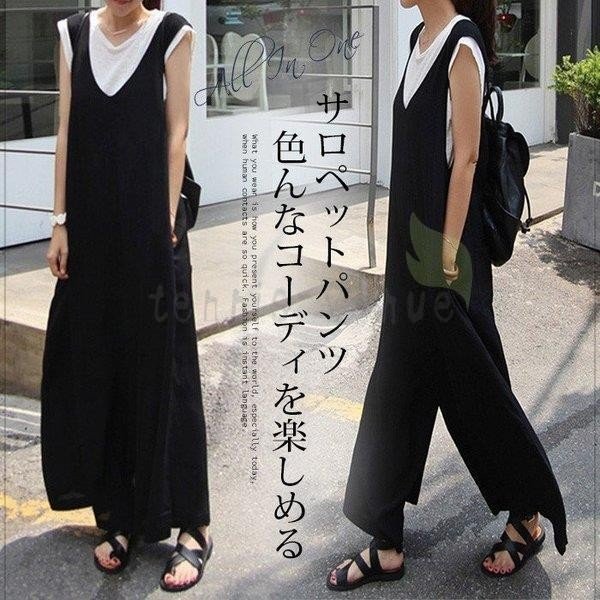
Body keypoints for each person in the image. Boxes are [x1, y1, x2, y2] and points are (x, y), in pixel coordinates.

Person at [326, 0, 567, 591]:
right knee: (398, 384)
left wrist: (448, 250)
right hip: (413, 247)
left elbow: (467, 157)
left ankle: (528, 516)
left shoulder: (461, 45)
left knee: (476, 386)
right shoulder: (419, 39)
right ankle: (385, 541)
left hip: (446, 254)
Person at [41, 1, 211, 592]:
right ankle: (118, 514)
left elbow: (177, 130)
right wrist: (59, 222)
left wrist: (164, 220)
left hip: (154, 229)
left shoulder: (171, 34)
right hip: (91, 232)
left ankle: (193, 525)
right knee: (101, 364)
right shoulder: (73, 34)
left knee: (169, 368)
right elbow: (66, 129)